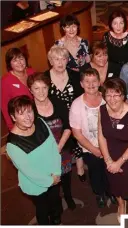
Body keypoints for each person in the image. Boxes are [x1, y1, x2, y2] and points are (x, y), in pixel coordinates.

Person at [6, 95, 62, 224]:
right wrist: (50, 180)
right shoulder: (12, 144)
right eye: (21, 114)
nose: (28, 117)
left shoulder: (40, 122)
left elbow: (54, 147)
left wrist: (56, 173)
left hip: (54, 173)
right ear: (13, 117)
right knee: (42, 209)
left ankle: (56, 219)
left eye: (30, 111)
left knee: (55, 202)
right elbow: (29, 171)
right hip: (36, 184)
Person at [28, 73, 76, 210]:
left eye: (44, 87)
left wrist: (59, 147)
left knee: (66, 176)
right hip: (42, 154)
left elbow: (68, 126)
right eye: (36, 88)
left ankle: (68, 196)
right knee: (50, 182)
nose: (41, 92)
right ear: (30, 90)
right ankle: (56, 204)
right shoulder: (29, 109)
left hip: (62, 148)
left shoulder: (58, 102)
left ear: (48, 88)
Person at [98, 78, 128, 223]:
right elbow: (101, 137)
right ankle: (121, 204)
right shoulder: (102, 110)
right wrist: (108, 160)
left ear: (123, 95)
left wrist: (119, 162)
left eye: (116, 95)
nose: (112, 99)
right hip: (110, 153)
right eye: (108, 95)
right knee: (115, 182)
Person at [69, 68, 114, 208]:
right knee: (96, 172)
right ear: (81, 84)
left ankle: (111, 191)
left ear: (99, 82)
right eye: (87, 81)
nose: (91, 84)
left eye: (94, 81)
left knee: (110, 170)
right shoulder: (76, 105)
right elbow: (77, 133)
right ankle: (99, 193)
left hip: (110, 144)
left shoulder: (108, 98)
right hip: (89, 147)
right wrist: (94, 150)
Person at [45, 45, 86, 183]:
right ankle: (60, 170)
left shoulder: (75, 75)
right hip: (55, 120)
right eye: (56, 59)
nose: (60, 62)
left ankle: (80, 167)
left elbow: (81, 97)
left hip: (75, 117)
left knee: (78, 142)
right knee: (61, 146)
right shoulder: (44, 78)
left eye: (63, 58)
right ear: (51, 61)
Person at [1, 48, 35, 130]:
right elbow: (4, 107)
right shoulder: (5, 81)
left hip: (37, 117)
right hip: (21, 122)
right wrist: (11, 127)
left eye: (21, 58)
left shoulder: (32, 72)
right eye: (15, 60)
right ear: (10, 64)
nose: (19, 62)